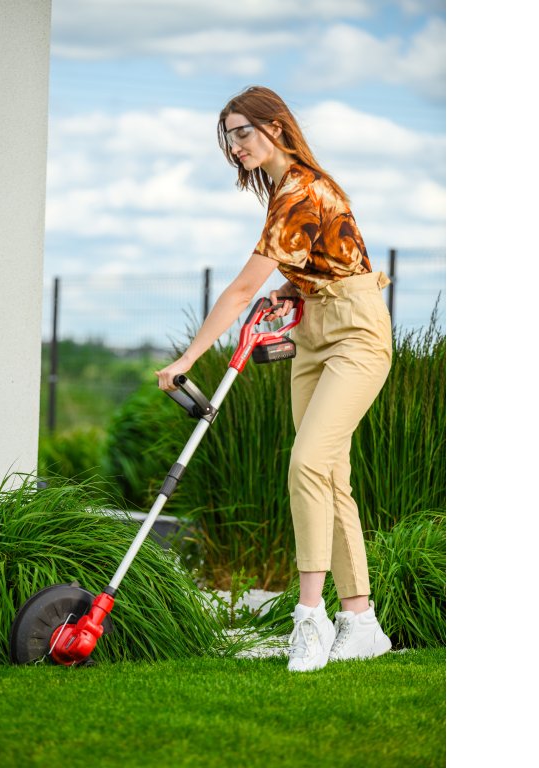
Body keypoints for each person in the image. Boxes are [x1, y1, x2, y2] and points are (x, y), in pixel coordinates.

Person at [155, 86, 394, 672]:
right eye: (229, 138)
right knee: (330, 476)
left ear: (276, 127)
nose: (235, 146)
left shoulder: (302, 189)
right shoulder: (284, 192)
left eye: (243, 132)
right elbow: (324, 262)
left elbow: (241, 289)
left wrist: (188, 358)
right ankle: (361, 622)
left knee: (307, 463)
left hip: (357, 335)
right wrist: (291, 288)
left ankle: (309, 617)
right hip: (313, 333)